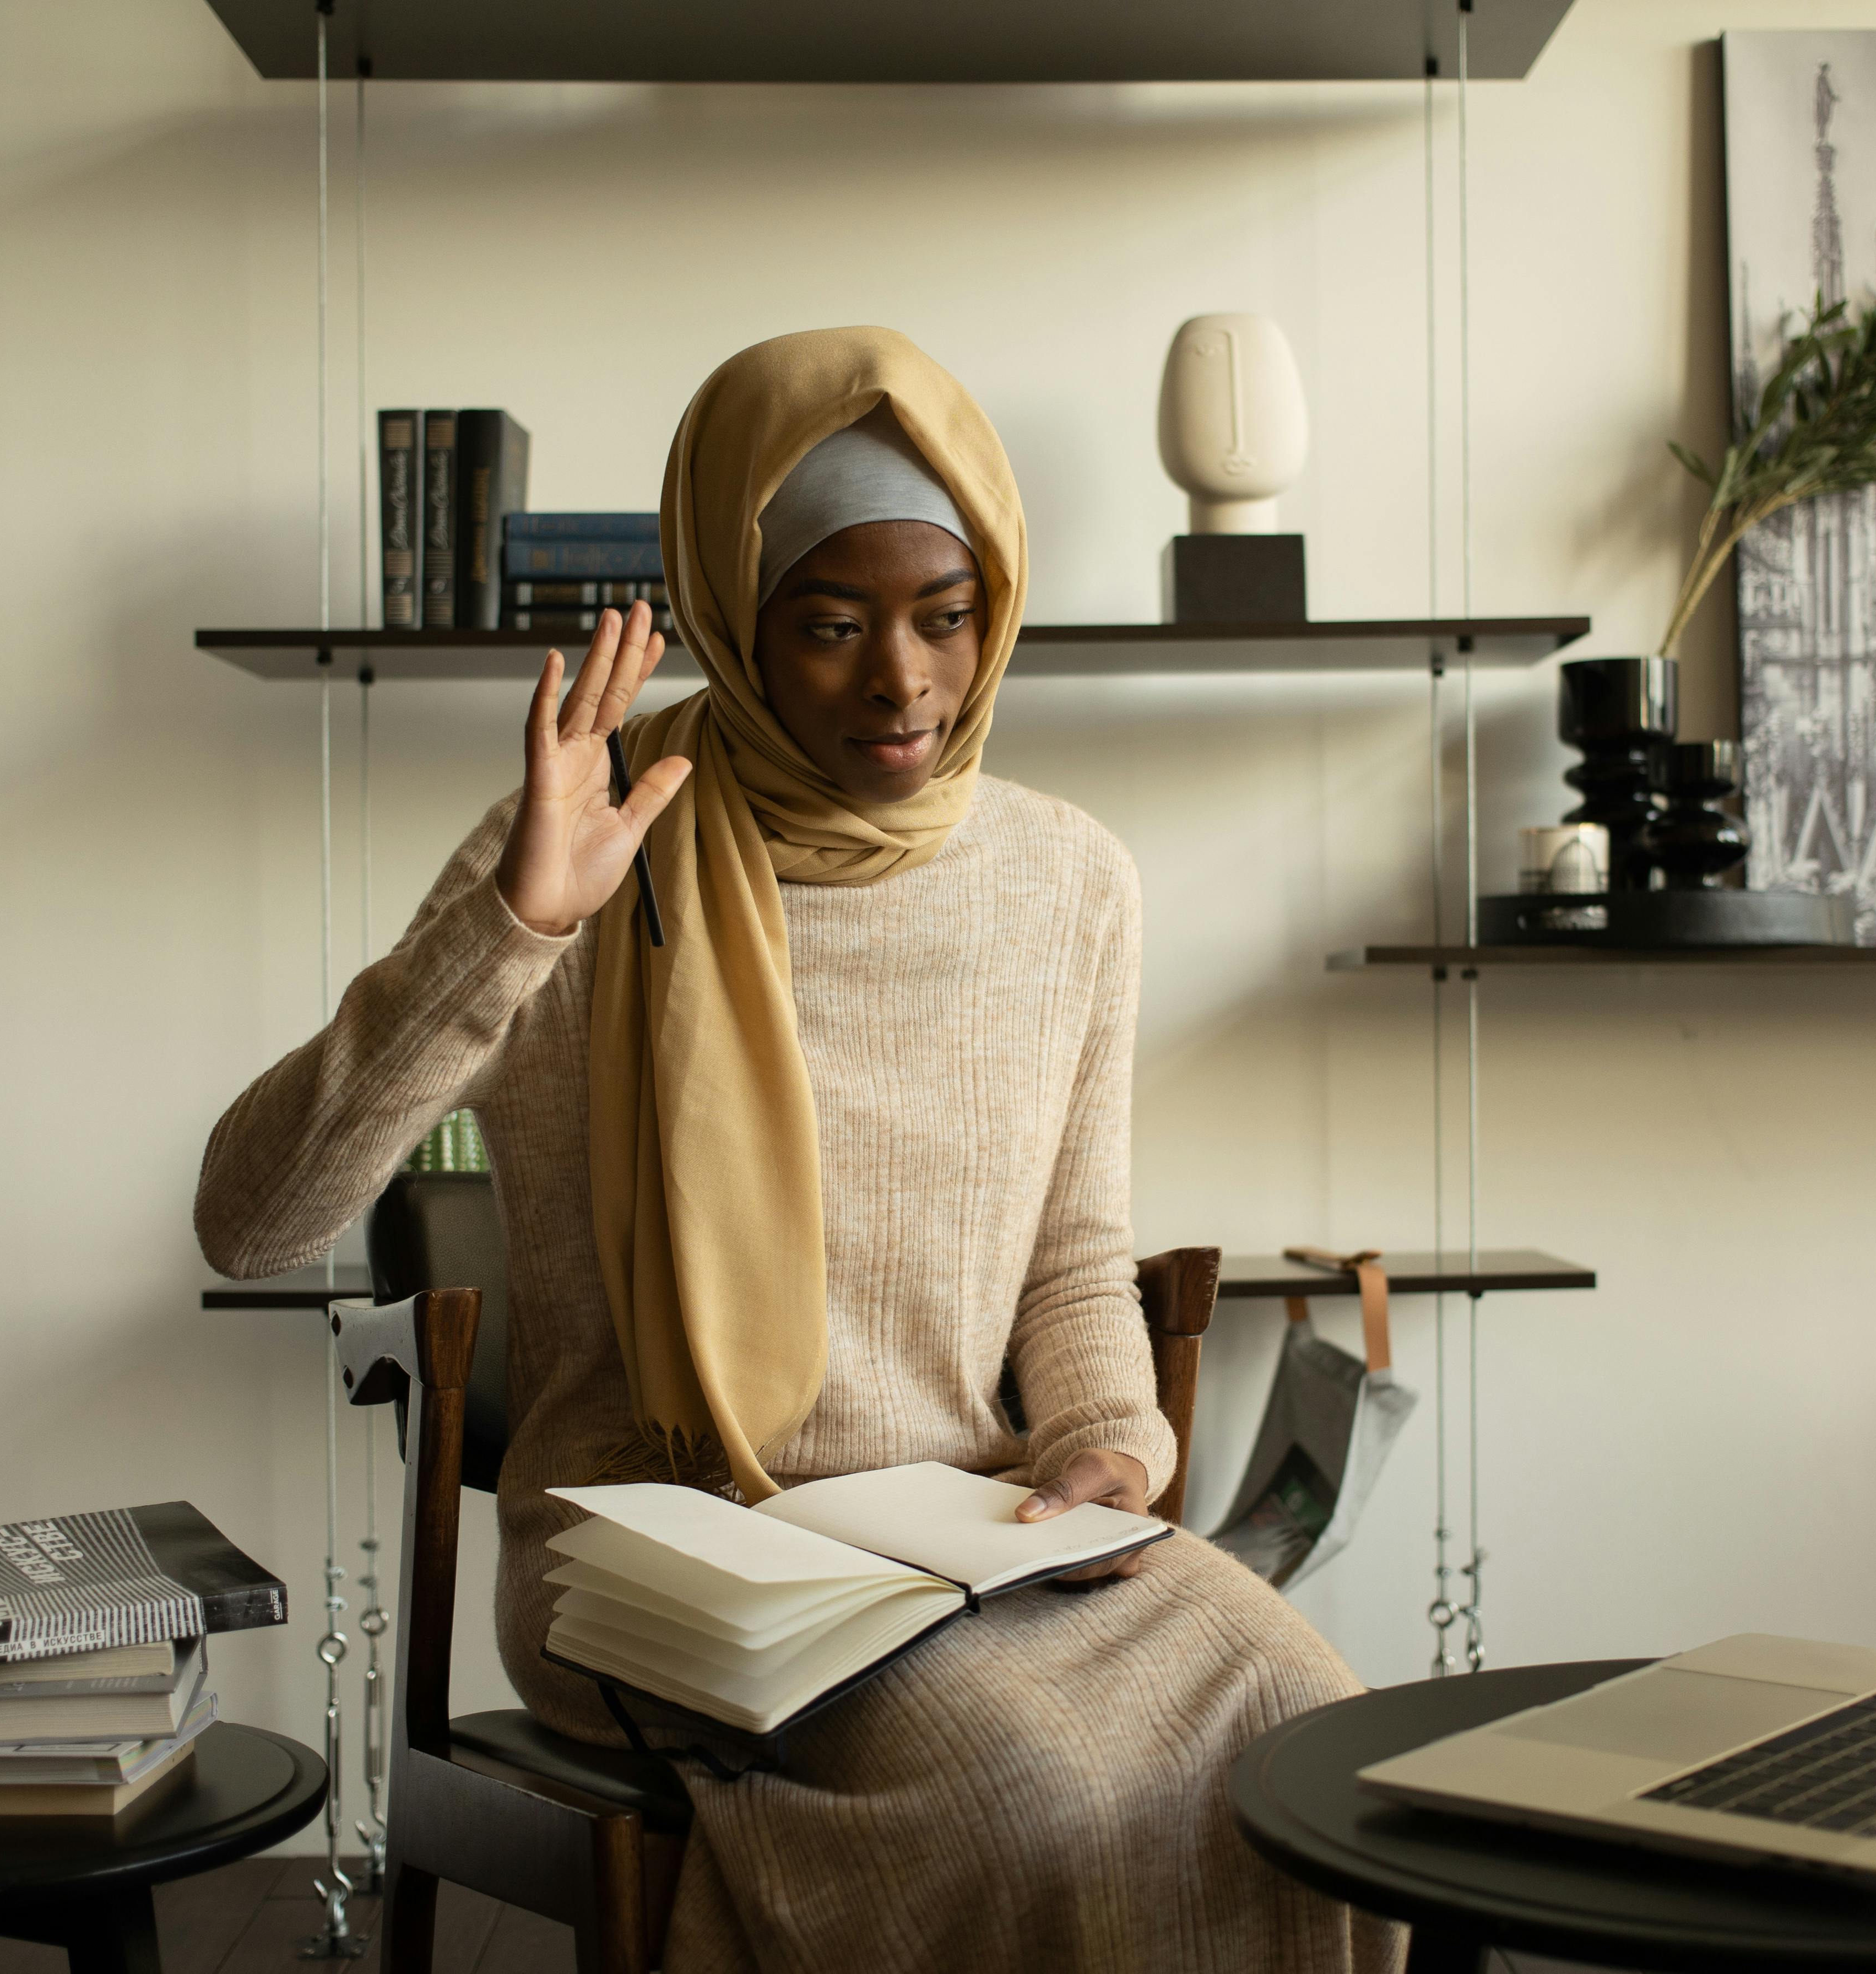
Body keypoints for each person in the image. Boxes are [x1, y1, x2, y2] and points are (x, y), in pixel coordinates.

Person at [196, 326, 1396, 1972]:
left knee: (1315, 1734)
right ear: (732, 624)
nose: (902, 680)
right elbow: (251, 1222)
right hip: (659, 1553)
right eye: (829, 627)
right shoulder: (597, 835)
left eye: (946, 617)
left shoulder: (1073, 882)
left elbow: (1072, 1252)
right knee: (1033, 1799)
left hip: (981, 1537)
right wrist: (511, 933)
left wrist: (1109, 1444)